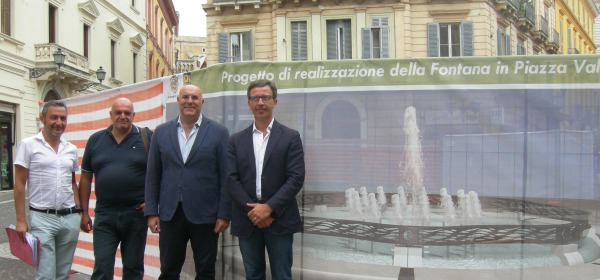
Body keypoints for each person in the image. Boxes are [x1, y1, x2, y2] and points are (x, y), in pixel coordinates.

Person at [145, 84, 231, 280]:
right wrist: (151, 212)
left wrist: (224, 213)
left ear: (202, 102)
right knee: (168, 270)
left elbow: (227, 176)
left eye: (194, 98)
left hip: (206, 214)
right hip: (170, 213)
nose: (189, 101)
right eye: (185, 97)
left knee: (206, 271)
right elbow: (153, 175)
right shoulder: (161, 132)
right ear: (178, 101)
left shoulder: (219, 132)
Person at [227, 79, 305, 280]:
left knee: (282, 275)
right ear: (249, 103)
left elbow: (296, 178)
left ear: (275, 102)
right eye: (255, 98)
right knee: (253, 275)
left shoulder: (291, 137)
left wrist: (268, 208)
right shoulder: (236, 140)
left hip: (280, 218)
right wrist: (254, 212)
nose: (260, 102)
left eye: (266, 97)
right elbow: (231, 179)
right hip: (247, 219)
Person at [78, 97, 151, 280]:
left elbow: (161, 173)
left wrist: (151, 201)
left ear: (134, 115)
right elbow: (86, 178)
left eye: (127, 113)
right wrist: (84, 212)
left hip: (135, 215)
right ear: (111, 115)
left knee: (133, 269)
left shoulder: (147, 137)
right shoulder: (95, 140)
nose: (123, 116)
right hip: (105, 215)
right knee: (102, 267)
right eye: (118, 112)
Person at [13, 100, 82, 280]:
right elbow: (19, 183)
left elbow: (72, 182)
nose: (59, 122)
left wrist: (79, 211)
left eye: (63, 118)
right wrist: (21, 220)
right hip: (42, 218)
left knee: (63, 273)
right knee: (45, 274)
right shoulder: (28, 145)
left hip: (69, 218)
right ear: (42, 118)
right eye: (54, 117)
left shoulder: (71, 149)